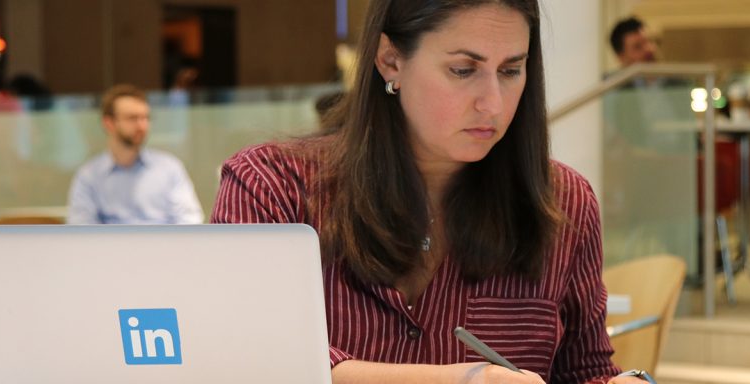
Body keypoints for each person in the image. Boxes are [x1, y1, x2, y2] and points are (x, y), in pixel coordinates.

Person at [211, 1, 648, 383]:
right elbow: (250, 360)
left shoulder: (564, 201)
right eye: (463, 70)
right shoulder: (271, 184)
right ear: (390, 61)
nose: (493, 103)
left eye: (511, 70)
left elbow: (585, 370)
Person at [67, 84, 203, 224]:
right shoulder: (89, 176)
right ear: (109, 123)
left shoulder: (170, 168)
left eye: (145, 118)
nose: (142, 126)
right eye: (132, 118)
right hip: (111, 245)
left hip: (164, 244)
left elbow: (190, 220)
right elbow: (81, 229)